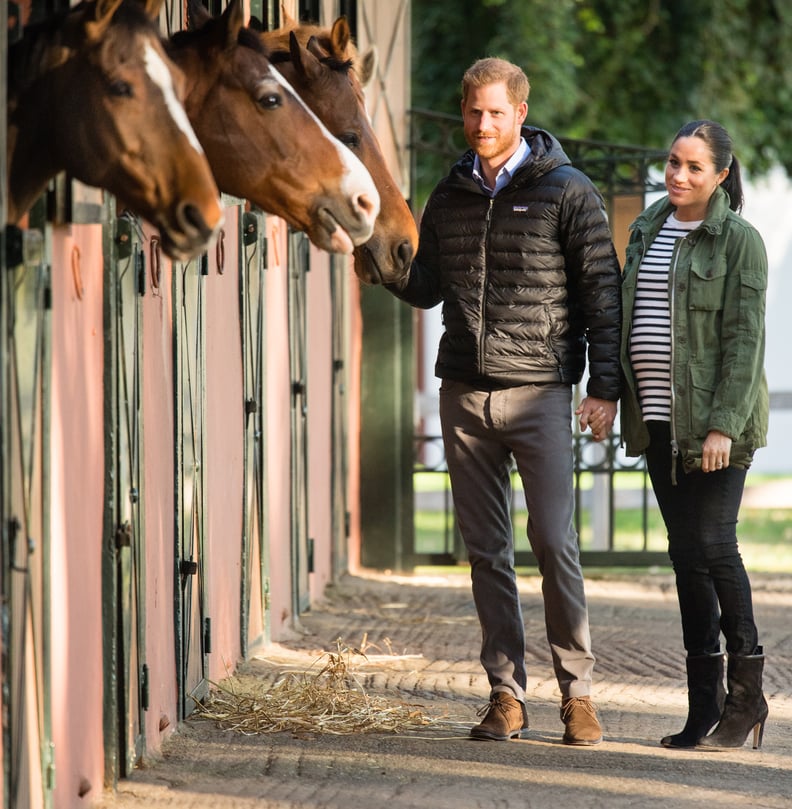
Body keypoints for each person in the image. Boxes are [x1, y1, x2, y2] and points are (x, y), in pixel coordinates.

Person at [387, 57, 621, 745]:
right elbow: (427, 283)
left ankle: (577, 695)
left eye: (495, 112)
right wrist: (379, 262)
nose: (482, 124)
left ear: (520, 112)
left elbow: (601, 295)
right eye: (472, 113)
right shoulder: (450, 191)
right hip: (464, 393)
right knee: (487, 551)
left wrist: (603, 386)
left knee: (552, 541)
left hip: (540, 392)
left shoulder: (568, 191)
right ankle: (505, 695)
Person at [619, 120, 769, 750]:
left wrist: (721, 427)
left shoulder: (740, 242)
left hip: (714, 427)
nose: (678, 176)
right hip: (658, 420)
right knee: (685, 556)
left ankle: (747, 698)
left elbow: (744, 343)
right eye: (672, 162)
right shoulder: (649, 226)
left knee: (714, 543)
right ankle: (703, 708)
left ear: (721, 175)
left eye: (694, 168)